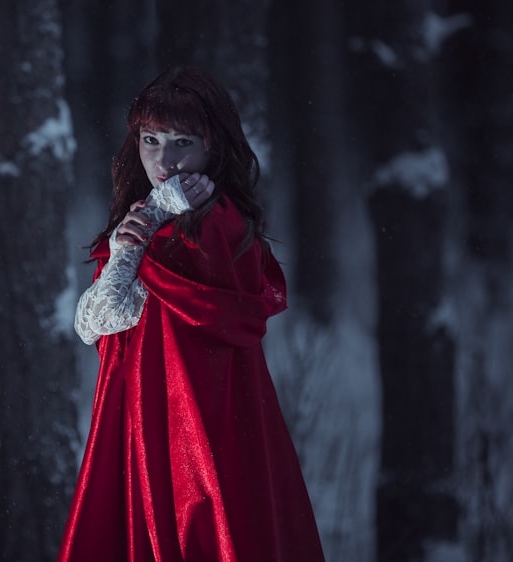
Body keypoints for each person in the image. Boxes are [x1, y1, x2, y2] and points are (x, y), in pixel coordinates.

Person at [59, 67, 325, 561]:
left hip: (202, 430)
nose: (164, 159)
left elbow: (145, 309)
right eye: (151, 139)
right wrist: (129, 242)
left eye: (183, 141)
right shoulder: (143, 215)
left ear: (212, 146)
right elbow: (91, 324)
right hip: (139, 419)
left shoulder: (222, 227)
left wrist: (148, 230)